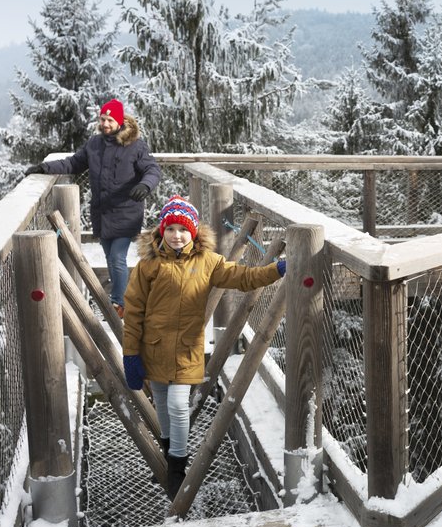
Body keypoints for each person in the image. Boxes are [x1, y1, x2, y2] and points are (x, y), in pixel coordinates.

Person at [121, 195, 287, 499]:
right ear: (161, 231)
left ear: (194, 232)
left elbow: (244, 277)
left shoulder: (208, 262)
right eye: (170, 228)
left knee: (177, 404)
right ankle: (170, 450)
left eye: (183, 229)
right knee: (162, 403)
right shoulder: (149, 265)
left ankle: (177, 468)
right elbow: (133, 311)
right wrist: (130, 354)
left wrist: (275, 270)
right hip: (153, 347)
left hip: (187, 349)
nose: (176, 235)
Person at [24, 99, 161, 317]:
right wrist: (44, 167)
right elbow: (73, 163)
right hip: (103, 212)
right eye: (103, 119)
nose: (106, 124)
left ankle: (119, 305)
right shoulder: (94, 144)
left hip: (126, 211)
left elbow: (152, 170)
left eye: (110, 120)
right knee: (110, 257)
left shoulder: (135, 145)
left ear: (120, 120)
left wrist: (145, 185)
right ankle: (124, 299)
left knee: (117, 258)